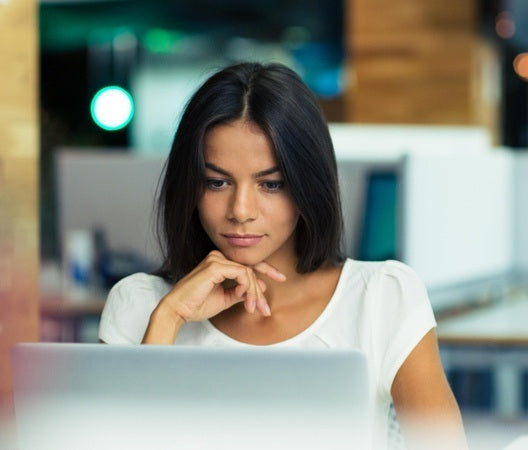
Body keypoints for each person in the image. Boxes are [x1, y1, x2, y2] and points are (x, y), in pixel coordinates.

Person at [98, 62, 467, 449]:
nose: (240, 210)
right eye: (217, 182)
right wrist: (169, 319)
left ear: (307, 184)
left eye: (271, 184)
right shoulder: (139, 305)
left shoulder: (381, 297)